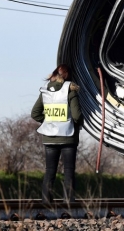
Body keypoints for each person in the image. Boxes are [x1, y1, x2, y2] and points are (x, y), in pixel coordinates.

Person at [31, 64, 83, 203]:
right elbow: (77, 115)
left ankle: (46, 200)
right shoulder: (70, 90)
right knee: (69, 170)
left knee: (50, 170)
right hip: (68, 137)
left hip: (49, 137)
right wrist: (77, 124)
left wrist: (48, 121)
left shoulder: (45, 91)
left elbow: (35, 114)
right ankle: (68, 200)